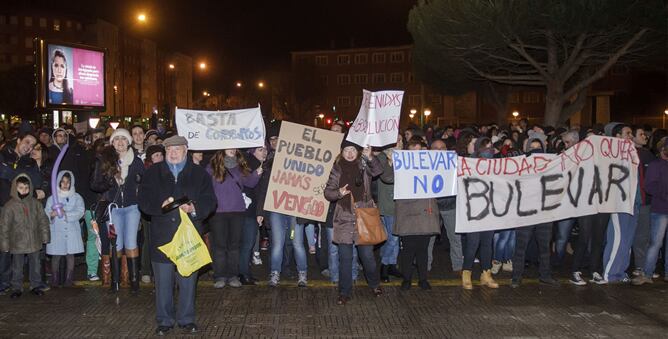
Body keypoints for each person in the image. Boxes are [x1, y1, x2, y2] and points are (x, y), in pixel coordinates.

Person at [138, 135, 216, 335]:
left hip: (188, 236)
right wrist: (159, 207)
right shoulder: (153, 173)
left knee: (187, 279)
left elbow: (210, 200)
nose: (173, 153)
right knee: (163, 281)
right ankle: (164, 320)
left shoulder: (199, 174)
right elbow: (143, 201)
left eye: (177, 149)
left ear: (186, 151)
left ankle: (186, 319)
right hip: (162, 235)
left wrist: (194, 208)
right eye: (169, 150)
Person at [324, 140, 384, 305]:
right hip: (344, 217)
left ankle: (374, 284)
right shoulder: (337, 168)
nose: (349, 153)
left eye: (353, 150)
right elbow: (328, 192)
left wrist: (370, 156)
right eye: (346, 150)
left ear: (357, 152)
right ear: (341, 152)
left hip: (363, 215)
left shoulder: (363, 165)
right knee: (345, 258)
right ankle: (344, 292)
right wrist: (338, 193)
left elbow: (379, 170)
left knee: (367, 257)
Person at [90, 128, 144, 292]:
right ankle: (115, 281)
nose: (120, 142)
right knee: (116, 243)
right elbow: (94, 184)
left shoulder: (136, 161)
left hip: (132, 207)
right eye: (117, 139)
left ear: (128, 142)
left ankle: (134, 282)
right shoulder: (105, 160)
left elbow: (145, 183)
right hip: (113, 209)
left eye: (123, 139)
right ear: (112, 143)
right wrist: (109, 180)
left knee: (131, 242)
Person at [207, 149, 261, 288]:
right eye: (229, 146)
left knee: (234, 246)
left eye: (234, 147)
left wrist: (258, 172)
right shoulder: (212, 166)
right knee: (219, 246)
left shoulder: (240, 165)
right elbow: (205, 186)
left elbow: (250, 183)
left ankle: (233, 275)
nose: (231, 149)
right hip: (218, 212)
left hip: (237, 211)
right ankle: (220, 276)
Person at [392, 139, 441, 290]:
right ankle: (407, 279)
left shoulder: (430, 167)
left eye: (419, 151)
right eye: (413, 151)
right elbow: (387, 178)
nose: (416, 155)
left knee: (423, 250)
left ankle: (423, 279)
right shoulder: (400, 167)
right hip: (407, 214)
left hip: (424, 215)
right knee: (407, 250)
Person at [510, 136, 559, 288]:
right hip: (526, 212)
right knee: (521, 247)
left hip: (544, 212)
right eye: (533, 148)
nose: (536, 151)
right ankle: (516, 277)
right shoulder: (520, 166)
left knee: (545, 247)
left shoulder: (551, 165)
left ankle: (545, 275)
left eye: (539, 148)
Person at [0, 174, 50, 298]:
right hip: (17, 242)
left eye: (27, 188)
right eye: (21, 188)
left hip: (34, 240)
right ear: (15, 188)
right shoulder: (9, 206)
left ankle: (36, 285)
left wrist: (45, 236)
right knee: (17, 266)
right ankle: (16, 287)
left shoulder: (35, 203)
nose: (24, 190)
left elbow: (43, 220)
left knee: (36, 265)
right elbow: (4, 227)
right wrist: (5, 244)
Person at [602, 123, 639, 283]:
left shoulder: (632, 153)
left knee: (628, 239)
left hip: (634, 202)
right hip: (619, 202)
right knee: (618, 238)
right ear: (617, 136)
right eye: (627, 133)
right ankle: (610, 273)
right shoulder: (611, 155)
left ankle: (621, 271)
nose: (630, 136)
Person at [461, 136, 498, 290]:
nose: (489, 151)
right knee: (473, 243)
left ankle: (486, 274)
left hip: (489, 210)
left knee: (487, 244)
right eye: (485, 147)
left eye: (491, 147)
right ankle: (466, 273)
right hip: (473, 211)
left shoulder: (497, 166)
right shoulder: (469, 164)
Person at [632, 137, 668, 285]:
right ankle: (647, 273)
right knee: (656, 243)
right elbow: (649, 186)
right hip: (660, 209)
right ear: (663, 149)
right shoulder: (655, 165)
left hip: (662, 207)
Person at [45, 171, 85, 287]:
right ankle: (55, 278)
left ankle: (69, 278)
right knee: (56, 255)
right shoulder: (52, 198)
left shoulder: (77, 197)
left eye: (68, 182)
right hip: (57, 231)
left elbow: (80, 211)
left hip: (72, 231)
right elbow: (46, 212)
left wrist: (66, 214)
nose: (65, 184)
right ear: (58, 183)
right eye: (62, 182)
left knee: (70, 255)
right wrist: (51, 215)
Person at [239, 146, 267, 285]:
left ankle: (245, 272)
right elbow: (248, 185)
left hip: (253, 211)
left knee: (248, 244)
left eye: (265, 149)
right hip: (245, 211)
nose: (265, 152)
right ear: (252, 152)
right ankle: (243, 274)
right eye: (261, 149)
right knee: (246, 244)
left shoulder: (261, 166)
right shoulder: (246, 165)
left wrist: (260, 212)